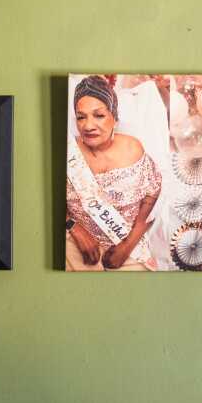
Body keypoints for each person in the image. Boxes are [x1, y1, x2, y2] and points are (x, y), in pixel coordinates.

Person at [66, 75, 162, 270]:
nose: (88, 125)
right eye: (81, 117)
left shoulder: (132, 149)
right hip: (73, 241)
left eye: (99, 115)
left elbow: (153, 191)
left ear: (114, 118)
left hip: (126, 243)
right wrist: (73, 228)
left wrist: (128, 245)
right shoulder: (68, 152)